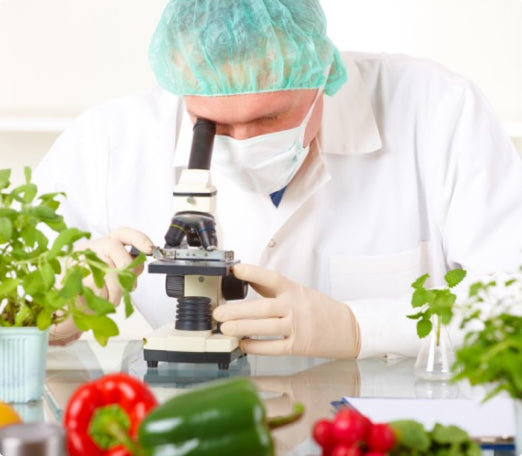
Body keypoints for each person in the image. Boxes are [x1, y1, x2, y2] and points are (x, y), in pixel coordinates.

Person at [34, 0, 522, 358]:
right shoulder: (108, 143)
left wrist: (361, 327)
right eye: (214, 125)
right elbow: (16, 304)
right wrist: (56, 312)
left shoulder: (438, 112)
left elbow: (514, 301)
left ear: (323, 73)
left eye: (270, 119)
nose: (243, 140)